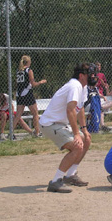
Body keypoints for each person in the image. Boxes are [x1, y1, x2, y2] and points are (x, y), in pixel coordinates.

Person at [39, 63, 93, 193]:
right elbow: (70, 110)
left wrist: (84, 129)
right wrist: (76, 134)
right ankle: (56, 181)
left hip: (61, 123)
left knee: (86, 140)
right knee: (77, 146)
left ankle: (70, 175)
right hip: (50, 124)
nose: (93, 76)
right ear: (81, 75)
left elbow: (79, 109)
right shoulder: (74, 86)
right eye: (89, 74)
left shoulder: (83, 87)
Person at [13, 55, 47, 138]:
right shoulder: (28, 70)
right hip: (27, 93)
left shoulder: (19, 70)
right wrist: (41, 82)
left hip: (19, 94)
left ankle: (11, 132)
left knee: (18, 115)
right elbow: (33, 84)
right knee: (35, 113)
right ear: (28, 62)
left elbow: (17, 83)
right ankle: (37, 132)